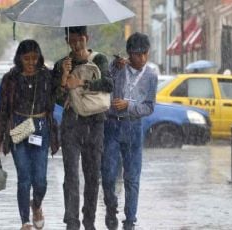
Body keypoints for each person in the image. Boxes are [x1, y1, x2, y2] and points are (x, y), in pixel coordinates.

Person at [0, 39, 58, 230]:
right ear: (19, 58)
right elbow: (2, 109)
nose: (31, 62)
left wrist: (65, 77)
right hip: (18, 127)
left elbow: (60, 93)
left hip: (41, 126)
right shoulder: (10, 79)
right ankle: (25, 221)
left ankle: (36, 205)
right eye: (27, 58)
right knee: (24, 177)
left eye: (34, 58)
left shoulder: (46, 76)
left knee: (41, 179)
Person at [52, 26, 113, 230]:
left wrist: (82, 83)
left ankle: (89, 220)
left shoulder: (99, 59)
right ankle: (72, 220)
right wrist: (64, 78)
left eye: (81, 40)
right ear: (67, 40)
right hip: (71, 124)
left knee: (92, 175)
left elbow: (108, 84)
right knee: (71, 175)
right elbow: (56, 97)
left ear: (87, 38)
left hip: (95, 123)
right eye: (72, 40)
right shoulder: (61, 64)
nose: (77, 45)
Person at [101, 32, 158, 230]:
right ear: (129, 54)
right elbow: (104, 87)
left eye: (145, 54)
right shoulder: (118, 69)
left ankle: (130, 220)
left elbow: (149, 107)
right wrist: (113, 66)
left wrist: (128, 106)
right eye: (137, 54)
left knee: (132, 177)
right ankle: (111, 207)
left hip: (134, 126)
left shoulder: (151, 75)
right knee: (108, 174)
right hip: (112, 126)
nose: (141, 58)